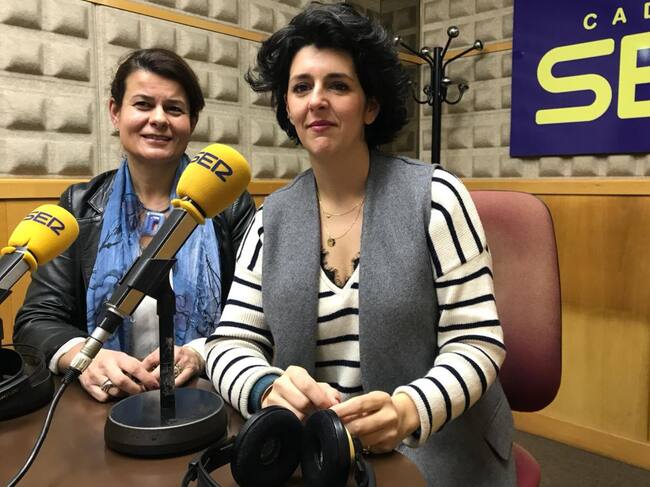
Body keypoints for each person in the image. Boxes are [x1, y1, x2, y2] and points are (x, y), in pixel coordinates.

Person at [206, 3, 514, 485]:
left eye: (338, 85)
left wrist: (410, 409)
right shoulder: (270, 220)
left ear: (370, 106)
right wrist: (265, 387)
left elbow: (477, 342)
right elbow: (228, 343)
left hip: (437, 445)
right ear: (288, 108)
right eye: (301, 87)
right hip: (321, 456)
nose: (316, 100)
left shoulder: (437, 197)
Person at [13, 48, 256, 403]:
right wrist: (83, 355)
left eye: (174, 109)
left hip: (203, 399)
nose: (158, 119)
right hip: (102, 404)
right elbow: (37, 319)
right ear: (115, 112)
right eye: (143, 105)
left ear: (192, 121)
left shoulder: (229, 205)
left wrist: (200, 353)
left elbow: (253, 316)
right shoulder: (78, 206)